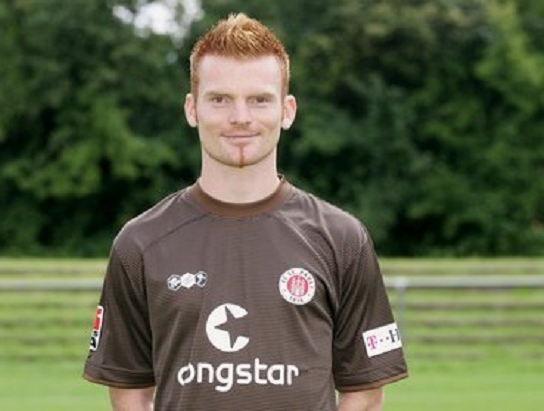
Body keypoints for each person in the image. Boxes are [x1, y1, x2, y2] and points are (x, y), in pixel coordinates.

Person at [83, 13, 408, 411]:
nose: (240, 117)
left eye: (259, 99)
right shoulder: (140, 243)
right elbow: (129, 391)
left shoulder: (342, 238)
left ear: (287, 110)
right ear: (192, 109)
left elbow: (366, 392)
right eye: (220, 99)